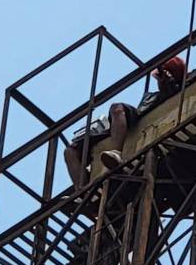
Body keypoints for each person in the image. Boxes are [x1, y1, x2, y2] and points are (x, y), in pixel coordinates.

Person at [64, 56, 186, 189]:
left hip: (142, 123)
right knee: (70, 151)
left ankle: (116, 153)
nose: (158, 81)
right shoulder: (150, 96)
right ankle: (82, 191)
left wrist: (169, 82)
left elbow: (171, 92)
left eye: (160, 78)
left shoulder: (175, 91)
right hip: (135, 120)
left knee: (117, 108)